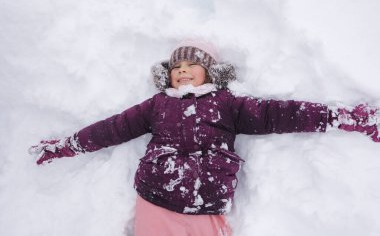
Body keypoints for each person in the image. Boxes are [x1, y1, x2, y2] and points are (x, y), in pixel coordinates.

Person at [29, 39, 380, 236]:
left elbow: (279, 113)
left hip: (207, 202)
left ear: (209, 73)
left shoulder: (227, 104)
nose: (181, 71)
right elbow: (112, 128)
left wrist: (342, 117)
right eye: (175, 68)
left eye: (190, 66)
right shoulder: (157, 105)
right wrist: (67, 145)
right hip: (157, 196)